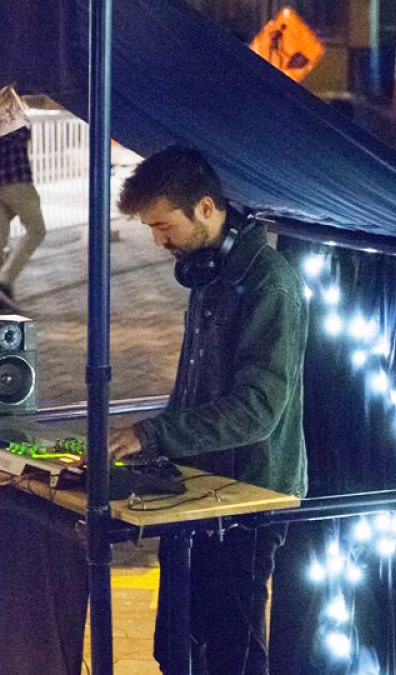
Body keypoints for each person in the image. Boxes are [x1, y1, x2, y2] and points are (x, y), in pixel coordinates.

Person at [111, 146, 309, 675]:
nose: (158, 241)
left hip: (247, 495)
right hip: (198, 488)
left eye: (163, 226)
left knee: (232, 656)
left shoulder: (270, 284)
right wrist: (144, 452)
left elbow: (257, 410)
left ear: (204, 208)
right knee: (177, 646)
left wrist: (153, 435)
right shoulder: (207, 274)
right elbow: (193, 389)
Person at [0, 113, 46, 313]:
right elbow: (18, 138)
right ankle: (3, 280)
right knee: (36, 229)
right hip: (14, 177)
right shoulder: (7, 107)